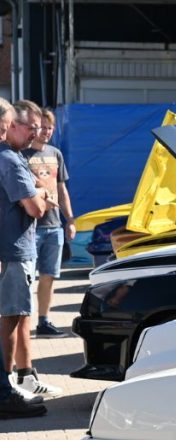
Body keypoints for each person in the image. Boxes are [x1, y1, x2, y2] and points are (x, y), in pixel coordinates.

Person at [1, 99, 57, 417]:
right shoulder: (9, 158)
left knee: (19, 315)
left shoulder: (14, 157)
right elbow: (36, 207)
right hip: (12, 250)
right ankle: (6, 389)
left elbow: (40, 191)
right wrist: (41, 197)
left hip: (14, 249)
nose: (36, 134)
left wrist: (40, 193)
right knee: (10, 317)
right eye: (30, 128)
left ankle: (17, 380)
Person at [24, 107, 74, 338]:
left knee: (49, 275)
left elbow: (62, 189)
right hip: (29, 227)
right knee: (26, 277)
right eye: (42, 127)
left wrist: (70, 219)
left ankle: (44, 321)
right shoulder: (22, 155)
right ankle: (21, 320)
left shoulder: (56, 154)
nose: (46, 131)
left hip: (54, 226)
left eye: (50, 128)